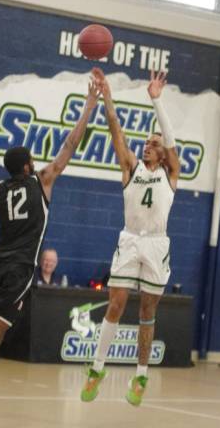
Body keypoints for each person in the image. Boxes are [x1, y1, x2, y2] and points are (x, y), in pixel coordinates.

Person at [0, 76, 101, 428]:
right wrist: (89, 106)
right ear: (28, 166)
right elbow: (71, 144)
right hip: (18, 269)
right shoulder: (42, 180)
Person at [80, 69, 180, 407]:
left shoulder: (171, 174)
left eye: (154, 144)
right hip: (130, 240)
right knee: (116, 303)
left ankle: (140, 374)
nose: (148, 146)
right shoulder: (130, 168)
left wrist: (156, 99)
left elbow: (170, 138)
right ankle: (97, 367)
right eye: (147, 144)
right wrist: (107, 94)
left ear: (164, 154)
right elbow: (115, 129)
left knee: (147, 311)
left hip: (157, 244)